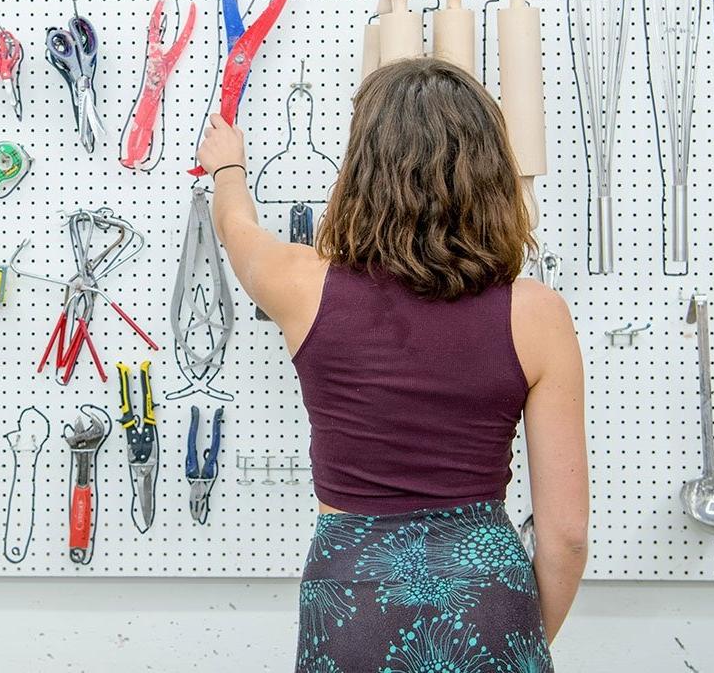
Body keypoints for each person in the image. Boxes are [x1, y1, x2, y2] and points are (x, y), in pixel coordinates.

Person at [196, 57, 588, 673]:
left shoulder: (302, 285)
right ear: (491, 173)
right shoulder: (537, 315)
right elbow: (566, 538)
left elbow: (236, 225)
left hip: (353, 605)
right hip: (490, 601)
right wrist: (517, 639)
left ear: (363, 171)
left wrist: (228, 165)